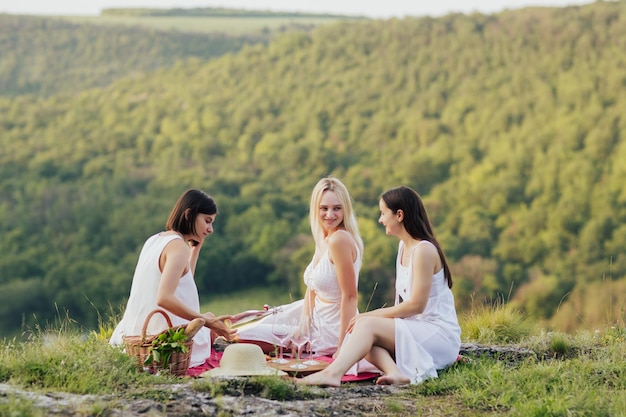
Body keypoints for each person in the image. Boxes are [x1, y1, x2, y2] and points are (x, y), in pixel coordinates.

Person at [300, 185, 461, 386]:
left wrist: (367, 316)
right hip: (417, 328)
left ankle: (333, 374)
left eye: (383, 213)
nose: (380, 219)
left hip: (437, 335)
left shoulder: (423, 251)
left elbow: (415, 306)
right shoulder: (404, 246)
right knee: (363, 335)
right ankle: (394, 373)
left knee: (364, 325)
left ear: (399, 215)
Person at [237, 177, 364, 358]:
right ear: (315, 209)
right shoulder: (325, 238)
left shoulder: (339, 240)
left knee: (244, 335)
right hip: (312, 316)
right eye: (324, 208)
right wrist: (302, 327)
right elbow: (312, 288)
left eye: (337, 208)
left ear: (345, 209)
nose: (330, 214)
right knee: (244, 323)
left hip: (331, 327)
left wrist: (342, 346)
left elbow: (350, 297)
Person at [110, 188, 236, 368]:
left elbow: (182, 282)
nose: (210, 229)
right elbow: (164, 298)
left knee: (208, 319)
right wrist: (209, 322)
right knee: (210, 319)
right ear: (189, 214)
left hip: (133, 335)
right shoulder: (178, 247)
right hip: (161, 341)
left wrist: (195, 249)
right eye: (207, 221)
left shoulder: (154, 240)